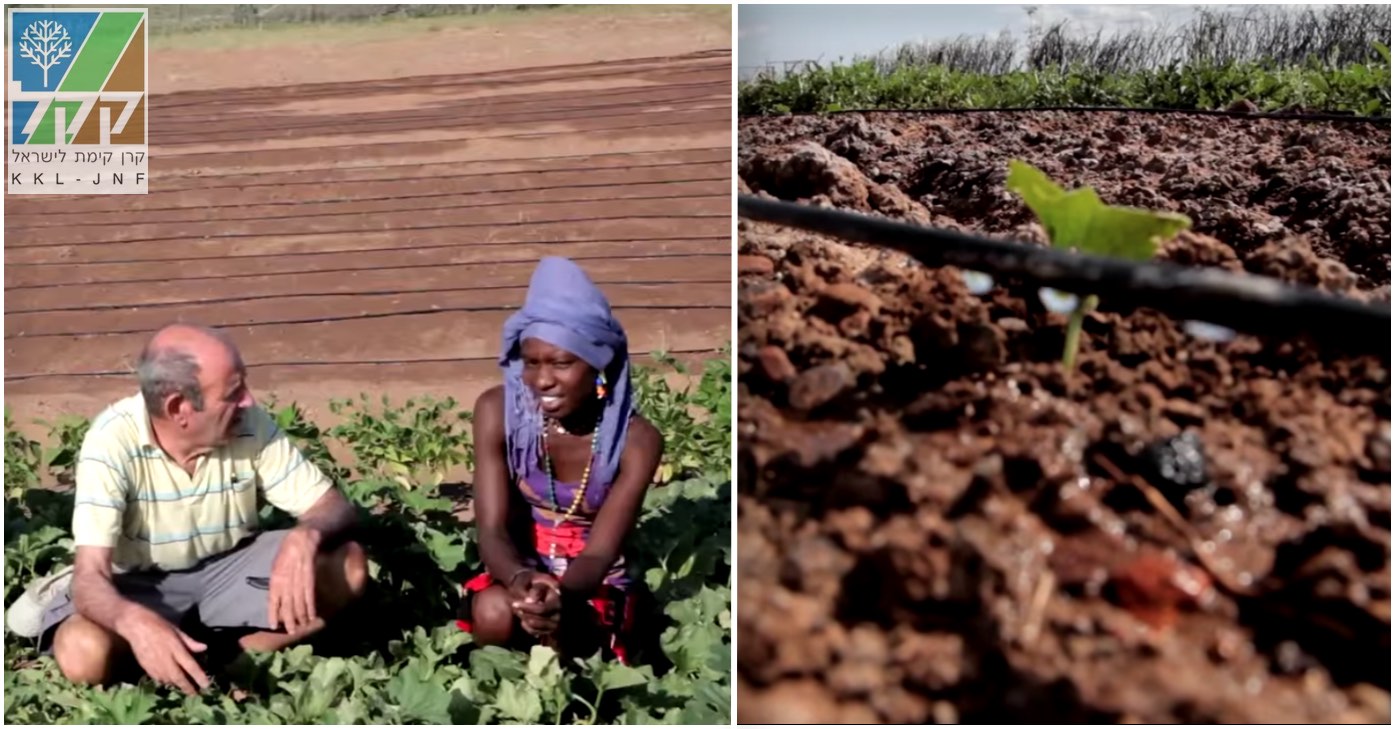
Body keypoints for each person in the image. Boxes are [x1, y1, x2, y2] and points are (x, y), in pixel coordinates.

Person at [7, 324, 367, 694]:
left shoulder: (248, 423)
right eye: (233, 392)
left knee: (349, 567)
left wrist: (306, 535)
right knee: (82, 652)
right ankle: (167, 656)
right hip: (140, 583)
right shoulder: (111, 443)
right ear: (179, 408)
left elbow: (330, 506)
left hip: (231, 567)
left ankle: (232, 658)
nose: (249, 401)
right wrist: (133, 620)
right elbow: (89, 577)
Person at [458, 257, 663, 664]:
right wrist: (520, 579)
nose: (542, 381)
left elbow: (599, 554)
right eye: (531, 363)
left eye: (562, 363)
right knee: (494, 612)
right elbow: (492, 528)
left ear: (598, 367)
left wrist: (560, 598)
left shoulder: (636, 441)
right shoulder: (497, 412)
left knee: (567, 631)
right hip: (519, 566)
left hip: (591, 581)